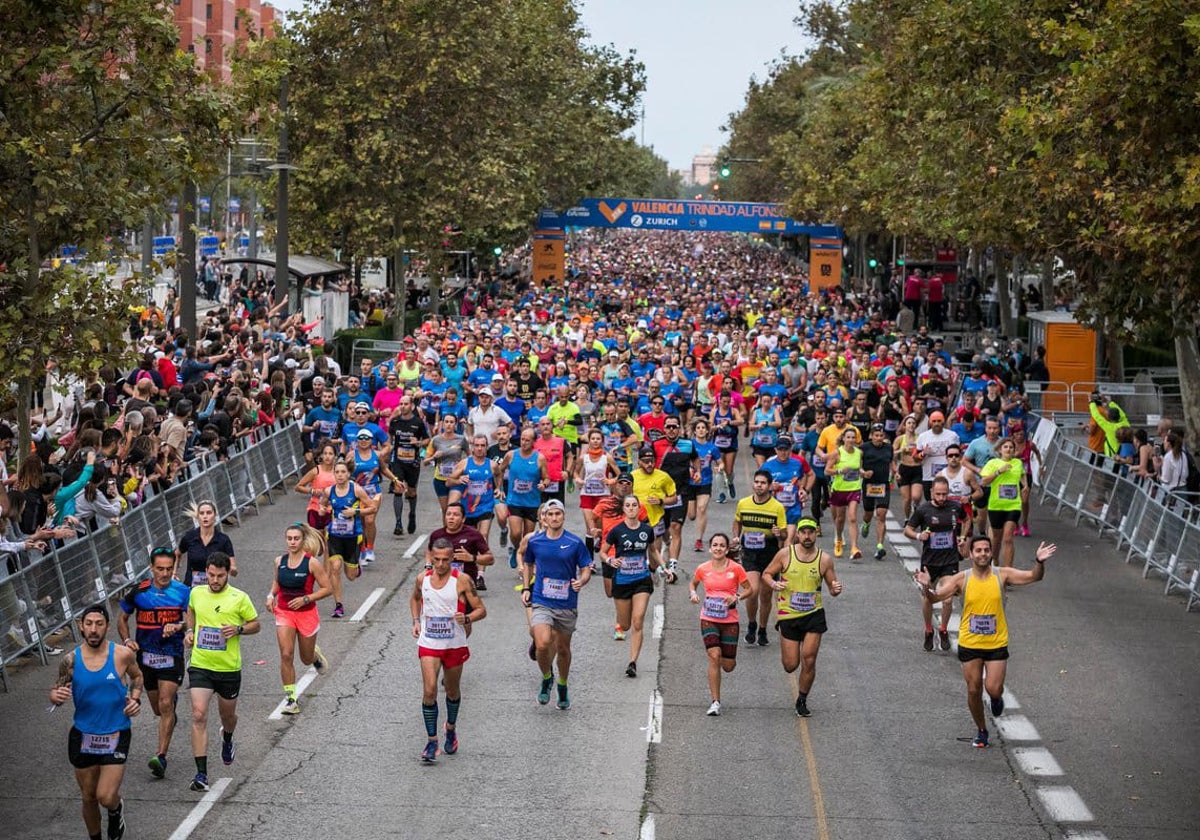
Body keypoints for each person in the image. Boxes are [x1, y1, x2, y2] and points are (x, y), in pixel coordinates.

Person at [915, 536, 1057, 747]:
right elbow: (935, 598)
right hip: (970, 643)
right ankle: (982, 730)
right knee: (973, 689)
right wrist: (927, 587)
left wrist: (1039, 562)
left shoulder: (1003, 575)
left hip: (996, 643)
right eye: (978, 550)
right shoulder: (961, 579)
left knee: (993, 688)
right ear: (970, 554)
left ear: (991, 553)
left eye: (986, 550)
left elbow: (1033, 577)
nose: (983, 554)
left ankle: (997, 698)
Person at [50, 605, 144, 840]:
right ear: (81, 626)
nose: (93, 629)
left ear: (107, 627)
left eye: (99, 624)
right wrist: (56, 697)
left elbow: (138, 676)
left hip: (116, 732)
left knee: (105, 796)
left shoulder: (122, 654)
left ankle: (115, 809)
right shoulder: (70, 660)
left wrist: (135, 699)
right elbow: (57, 690)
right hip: (83, 735)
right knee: (89, 796)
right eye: (89, 624)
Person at [183, 552, 260, 792]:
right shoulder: (196, 592)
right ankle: (201, 774)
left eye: (220, 576)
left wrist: (238, 629)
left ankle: (227, 738)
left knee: (228, 717)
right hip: (201, 664)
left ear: (228, 574)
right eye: (211, 575)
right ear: (206, 572)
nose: (215, 580)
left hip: (228, 668)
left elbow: (255, 625)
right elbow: (191, 611)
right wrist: (189, 631)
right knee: (198, 714)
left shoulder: (240, 598)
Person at [409, 537, 487, 762]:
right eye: (436, 560)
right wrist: (416, 621)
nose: (441, 564)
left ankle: (450, 728)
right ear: (430, 558)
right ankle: (432, 741)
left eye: (445, 560)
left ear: (452, 558)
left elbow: (482, 610)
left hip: (454, 644)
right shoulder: (422, 578)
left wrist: (467, 617)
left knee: (452, 691)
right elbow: (414, 599)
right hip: (429, 643)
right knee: (430, 690)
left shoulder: (462, 581)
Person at [117, 548, 190, 779]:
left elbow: (191, 619)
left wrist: (179, 625)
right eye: (160, 569)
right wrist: (127, 640)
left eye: (169, 568)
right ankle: (170, 709)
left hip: (172, 654)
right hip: (145, 657)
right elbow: (122, 617)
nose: (165, 573)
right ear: (151, 568)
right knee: (159, 709)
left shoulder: (183, 591)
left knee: (166, 703)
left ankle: (160, 756)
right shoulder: (139, 591)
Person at [761, 518, 842, 717]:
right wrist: (773, 584)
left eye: (811, 532)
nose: (807, 536)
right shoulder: (785, 554)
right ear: (797, 534)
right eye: (803, 532)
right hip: (789, 614)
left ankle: (802, 699)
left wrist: (835, 589)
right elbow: (767, 573)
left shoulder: (824, 559)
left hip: (814, 614)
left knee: (809, 659)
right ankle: (789, 652)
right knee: (790, 665)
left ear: (817, 533)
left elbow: (832, 587)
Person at [520, 499, 593, 710]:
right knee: (541, 643)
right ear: (544, 517)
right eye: (550, 514)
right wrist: (526, 588)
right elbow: (528, 563)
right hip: (542, 600)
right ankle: (546, 677)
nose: (553, 518)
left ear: (563, 516)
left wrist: (582, 580)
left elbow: (586, 566)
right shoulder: (536, 541)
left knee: (563, 649)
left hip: (566, 602)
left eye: (557, 514)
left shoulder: (574, 542)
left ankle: (562, 684)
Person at [267, 524, 332, 715]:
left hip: (307, 614)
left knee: (304, 658)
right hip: (285, 612)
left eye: (296, 538)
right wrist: (271, 596)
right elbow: (277, 582)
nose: (292, 542)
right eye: (289, 538)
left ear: (303, 540)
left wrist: (306, 598)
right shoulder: (280, 561)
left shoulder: (311, 563)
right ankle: (291, 699)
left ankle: (314, 655)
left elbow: (327, 588)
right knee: (286, 654)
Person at [688, 533, 751, 716]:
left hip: (730, 620)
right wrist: (693, 594)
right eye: (715, 545)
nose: (718, 548)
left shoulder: (736, 569)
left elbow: (749, 588)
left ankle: (727, 659)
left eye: (722, 545)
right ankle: (715, 701)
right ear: (710, 548)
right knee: (714, 655)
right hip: (708, 618)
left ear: (727, 549)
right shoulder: (703, 568)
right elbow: (693, 584)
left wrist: (737, 597)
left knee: (728, 666)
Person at [904, 476, 969, 651]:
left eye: (944, 494)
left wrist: (962, 537)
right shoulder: (923, 509)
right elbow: (907, 529)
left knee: (947, 599)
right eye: (938, 494)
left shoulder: (955, 507)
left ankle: (943, 629)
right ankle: (928, 629)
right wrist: (919, 536)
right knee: (928, 597)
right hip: (930, 562)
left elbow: (968, 519)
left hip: (950, 560)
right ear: (931, 492)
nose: (941, 498)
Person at [600, 495, 662, 678]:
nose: (631, 508)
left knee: (638, 620)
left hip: (642, 580)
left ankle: (633, 662)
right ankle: (622, 624)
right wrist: (610, 560)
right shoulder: (616, 531)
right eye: (628, 505)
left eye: (634, 505)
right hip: (622, 581)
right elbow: (603, 553)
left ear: (638, 508)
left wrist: (663, 567)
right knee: (625, 625)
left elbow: (653, 550)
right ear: (624, 509)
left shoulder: (647, 530)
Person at [733, 469, 787, 647]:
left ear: (770, 486)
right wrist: (736, 536)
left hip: (770, 554)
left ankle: (762, 629)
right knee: (752, 590)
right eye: (757, 482)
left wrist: (779, 534)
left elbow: (784, 534)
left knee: (766, 595)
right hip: (749, 553)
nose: (759, 485)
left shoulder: (777, 507)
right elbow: (737, 521)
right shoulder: (743, 503)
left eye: (763, 483)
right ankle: (751, 624)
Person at [319, 460, 375, 610]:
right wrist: (322, 510)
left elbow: (372, 507)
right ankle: (338, 605)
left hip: (353, 536)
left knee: (350, 576)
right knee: (335, 567)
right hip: (334, 536)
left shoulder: (356, 490)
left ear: (348, 474)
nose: (340, 475)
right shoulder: (329, 491)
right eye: (337, 472)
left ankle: (355, 568)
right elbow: (322, 503)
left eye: (343, 472)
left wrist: (355, 512)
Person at [495, 427, 549, 569]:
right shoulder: (511, 455)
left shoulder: (539, 458)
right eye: (522, 439)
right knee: (516, 533)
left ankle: (523, 557)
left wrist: (544, 484)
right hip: (514, 501)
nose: (524, 442)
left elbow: (547, 478)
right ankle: (516, 549)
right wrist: (499, 488)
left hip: (532, 503)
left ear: (533, 442)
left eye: (527, 440)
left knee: (528, 535)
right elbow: (499, 471)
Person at [631, 443, 680, 582]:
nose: (649, 464)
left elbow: (674, 498)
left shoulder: (663, 477)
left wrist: (661, 500)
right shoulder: (632, 476)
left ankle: (652, 569)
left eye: (652, 460)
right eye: (646, 461)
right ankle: (639, 575)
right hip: (637, 521)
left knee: (654, 553)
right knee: (636, 550)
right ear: (639, 462)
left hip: (656, 519)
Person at [387, 394, 430, 536]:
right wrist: (388, 450)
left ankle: (412, 514)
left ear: (411, 406)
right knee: (398, 488)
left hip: (413, 461)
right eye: (401, 404)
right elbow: (390, 439)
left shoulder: (417, 422)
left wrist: (418, 443)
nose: (403, 406)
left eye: (406, 404)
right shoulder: (395, 422)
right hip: (398, 460)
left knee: (411, 491)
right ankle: (398, 522)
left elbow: (427, 440)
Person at [979, 437, 1025, 568]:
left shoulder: (1018, 463)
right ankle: (995, 562)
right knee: (996, 539)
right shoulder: (993, 463)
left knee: (1008, 538)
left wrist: (1025, 486)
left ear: (1014, 450)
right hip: (996, 506)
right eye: (1005, 447)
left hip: (1013, 505)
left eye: (1011, 447)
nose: (1008, 449)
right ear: (1000, 450)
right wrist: (999, 472)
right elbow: (984, 481)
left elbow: (1022, 474)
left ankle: (1008, 571)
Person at [427, 502, 494, 590]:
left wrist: (471, 557)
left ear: (463, 519)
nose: (451, 517)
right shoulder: (436, 535)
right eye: (448, 514)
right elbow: (429, 551)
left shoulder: (473, 534)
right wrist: (428, 565)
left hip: (465, 584)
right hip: (441, 582)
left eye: (455, 515)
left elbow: (490, 559)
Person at [176, 499, 236, 587]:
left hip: (215, 587)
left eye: (209, 513)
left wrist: (232, 570)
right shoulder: (190, 537)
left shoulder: (223, 540)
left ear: (215, 515)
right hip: (192, 587)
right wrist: (174, 572)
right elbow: (177, 554)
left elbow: (233, 566)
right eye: (202, 513)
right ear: (197, 516)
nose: (205, 516)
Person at [826, 426, 864, 560]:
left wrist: (865, 474)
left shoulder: (859, 452)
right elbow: (827, 470)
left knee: (853, 517)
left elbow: (859, 469)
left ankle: (854, 548)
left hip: (854, 488)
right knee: (840, 519)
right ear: (843, 438)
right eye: (848, 437)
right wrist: (840, 471)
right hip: (839, 489)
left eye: (853, 437)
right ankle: (839, 540)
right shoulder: (837, 453)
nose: (851, 440)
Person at [859, 423, 896, 560]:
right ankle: (866, 524)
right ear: (871, 436)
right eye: (876, 435)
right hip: (869, 484)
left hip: (883, 485)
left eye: (881, 436)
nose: (879, 438)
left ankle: (880, 546)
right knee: (868, 513)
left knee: (881, 514)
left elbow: (891, 462)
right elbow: (858, 466)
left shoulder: (888, 448)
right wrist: (863, 473)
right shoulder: (864, 448)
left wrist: (895, 472)